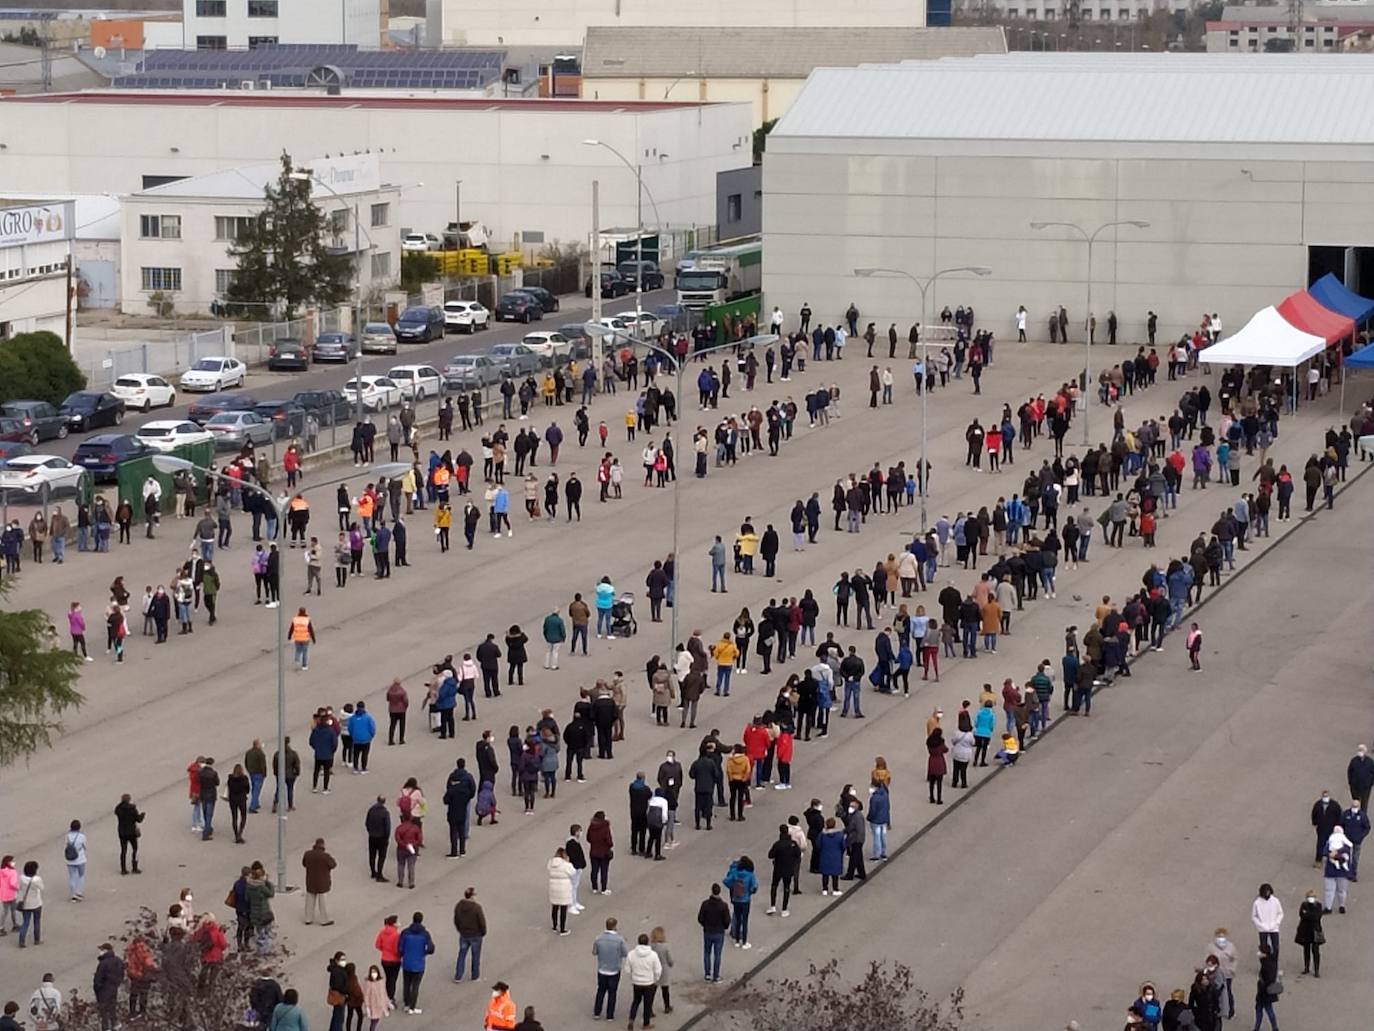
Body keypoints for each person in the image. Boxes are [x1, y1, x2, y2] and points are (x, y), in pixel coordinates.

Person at [397, 912, 435, 1014]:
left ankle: (406, 1003)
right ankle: (412, 1007)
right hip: (419, 964)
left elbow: (400, 948)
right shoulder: (425, 934)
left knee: (406, 983)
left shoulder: (405, 932)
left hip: (407, 962)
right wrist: (424, 952)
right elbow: (431, 948)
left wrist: (403, 954)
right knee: (415, 986)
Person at [624, 932, 663, 1030]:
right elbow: (658, 969)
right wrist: (655, 979)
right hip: (648, 983)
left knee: (636, 1001)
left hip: (637, 982)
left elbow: (627, 969)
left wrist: (632, 978)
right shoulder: (653, 955)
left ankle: (631, 1020)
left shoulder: (631, 954)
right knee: (647, 1004)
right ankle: (646, 1024)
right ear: (647, 943)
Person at [593, 917, 629, 1020]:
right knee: (612, 993)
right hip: (614, 970)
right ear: (614, 927)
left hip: (602, 969)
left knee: (600, 991)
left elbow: (594, 952)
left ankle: (597, 1012)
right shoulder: (619, 940)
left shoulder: (598, 938)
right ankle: (610, 1015)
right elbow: (625, 953)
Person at [696, 884, 731, 982]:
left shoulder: (705, 904)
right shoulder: (724, 906)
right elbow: (727, 920)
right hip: (719, 932)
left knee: (707, 953)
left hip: (708, 932)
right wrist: (724, 927)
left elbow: (700, 918)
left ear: (711, 891)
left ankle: (707, 974)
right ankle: (716, 976)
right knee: (717, 955)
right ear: (719, 892)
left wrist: (705, 925)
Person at [722, 855, 758, 949]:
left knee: (737, 919)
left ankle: (737, 941)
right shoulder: (750, 875)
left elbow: (726, 881)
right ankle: (744, 942)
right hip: (745, 900)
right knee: (744, 921)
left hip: (736, 899)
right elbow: (754, 886)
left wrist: (733, 887)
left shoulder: (735, 873)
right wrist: (750, 891)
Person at [453, 887, 486, 982]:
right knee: (475, 956)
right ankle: (475, 975)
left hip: (464, 934)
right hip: (475, 935)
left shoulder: (458, 906)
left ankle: (458, 976)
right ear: (471, 896)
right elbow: (482, 922)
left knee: (461, 954)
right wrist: (483, 932)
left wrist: (460, 930)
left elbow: (456, 920)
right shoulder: (476, 908)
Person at [302, 838, 337, 926]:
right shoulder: (325, 856)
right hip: (323, 882)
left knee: (309, 900)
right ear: (323, 845)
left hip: (310, 881)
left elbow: (304, 864)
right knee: (323, 902)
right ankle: (324, 920)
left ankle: (308, 918)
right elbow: (333, 865)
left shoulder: (308, 854)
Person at [1295, 888, 1325, 977]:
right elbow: (1302, 914)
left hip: (1315, 931)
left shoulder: (1318, 905)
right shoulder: (1304, 905)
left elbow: (1317, 916)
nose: (1311, 898)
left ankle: (1316, 970)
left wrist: (1307, 914)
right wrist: (1309, 915)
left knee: (1315, 951)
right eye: (1309, 897)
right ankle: (1306, 967)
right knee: (1306, 950)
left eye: (1312, 897)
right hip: (1305, 931)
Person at [547, 847, 575, 935]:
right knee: (563, 908)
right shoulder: (566, 865)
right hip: (564, 887)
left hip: (553, 886)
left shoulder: (551, 863)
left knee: (554, 907)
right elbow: (573, 872)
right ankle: (562, 929)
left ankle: (554, 926)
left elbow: (548, 869)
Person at [1251, 883, 1283, 960]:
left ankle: (1274, 965)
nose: (1267, 894)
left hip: (1274, 928)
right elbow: (1254, 916)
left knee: (1276, 947)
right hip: (1262, 929)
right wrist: (1260, 925)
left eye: (1268, 892)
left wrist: (1276, 923)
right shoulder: (1257, 903)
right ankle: (1264, 967)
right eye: (1265, 892)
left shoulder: (1275, 901)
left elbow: (1280, 913)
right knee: (1263, 948)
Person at [1253, 944, 1280, 1031]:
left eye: (1260, 951)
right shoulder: (1271, 961)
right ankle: (1273, 1027)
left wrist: (1262, 990)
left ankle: (1258, 1027)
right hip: (1268, 991)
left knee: (1263, 1009)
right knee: (1266, 1009)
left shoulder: (1266, 964)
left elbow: (1267, 979)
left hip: (1264, 992)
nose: (1258, 953)